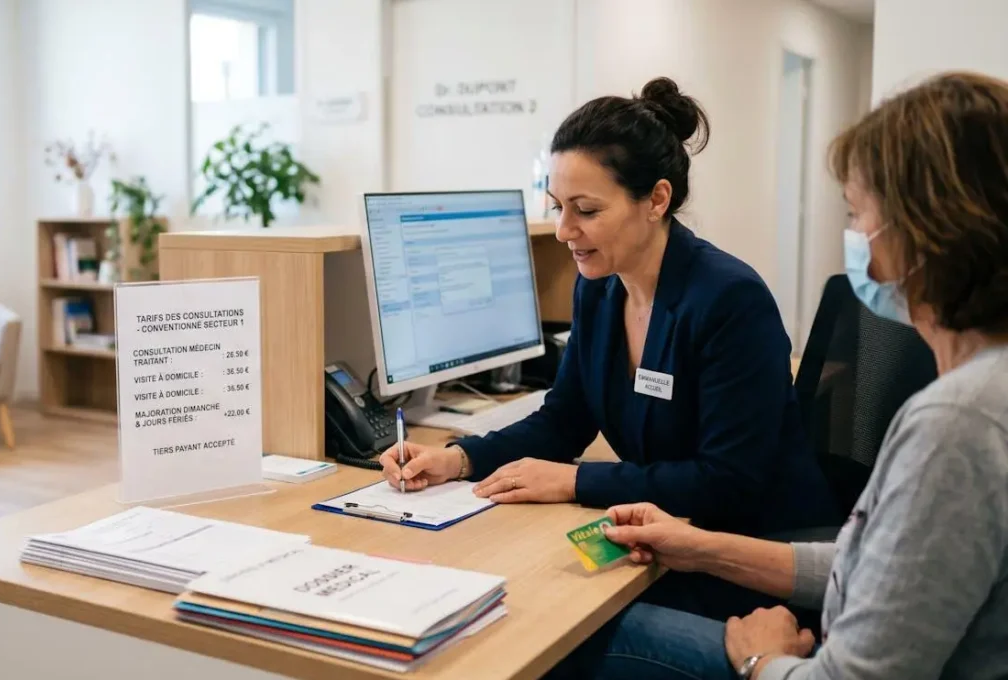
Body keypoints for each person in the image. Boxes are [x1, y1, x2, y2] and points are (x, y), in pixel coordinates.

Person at [561, 70, 1008, 680]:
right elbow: (879, 567)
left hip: (799, 656)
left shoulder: (959, 423)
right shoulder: (977, 398)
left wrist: (759, 658)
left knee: (570, 639)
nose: (853, 240)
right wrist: (700, 548)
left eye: (858, 216)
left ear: (931, 232)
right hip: (818, 607)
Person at [381, 77, 835, 618]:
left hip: (750, 556)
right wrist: (459, 459)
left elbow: (727, 481)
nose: (562, 230)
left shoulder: (728, 300)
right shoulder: (599, 286)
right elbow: (564, 420)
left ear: (657, 200)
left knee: (548, 623)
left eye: (586, 210)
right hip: (671, 537)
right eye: (557, 206)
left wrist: (574, 479)